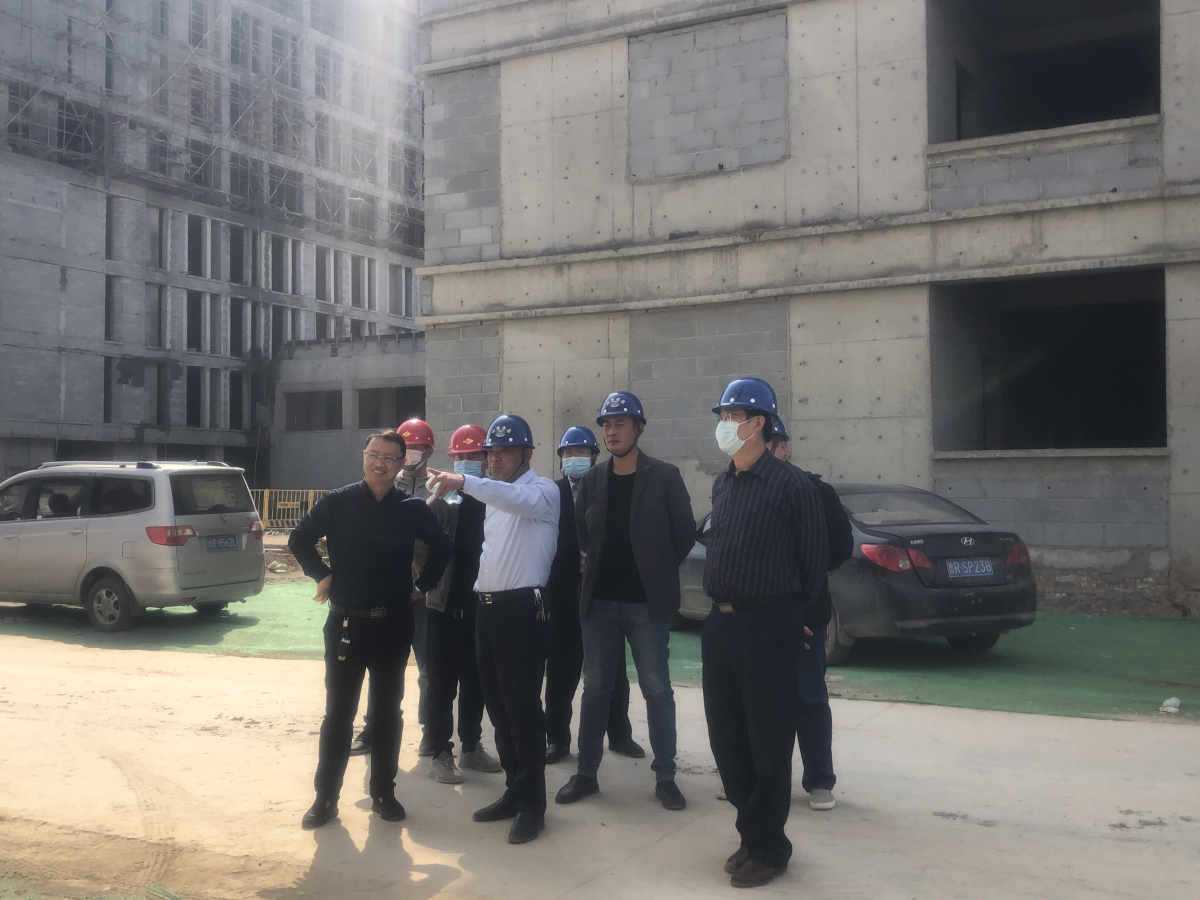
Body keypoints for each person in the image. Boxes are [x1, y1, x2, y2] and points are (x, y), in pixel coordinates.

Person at [290, 430, 453, 829]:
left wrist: (422, 585)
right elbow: (299, 538)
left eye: (389, 457)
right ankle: (326, 798)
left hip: (393, 624)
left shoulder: (411, 508)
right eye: (373, 454)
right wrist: (321, 574)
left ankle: (383, 792)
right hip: (345, 624)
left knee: (386, 713)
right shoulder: (338, 501)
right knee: (338, 714)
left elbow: (442, 547)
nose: (379, 463)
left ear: (401, 463)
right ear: (364, 457)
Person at [702, 378, 828, 888]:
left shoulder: (792, 485)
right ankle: (750, 833)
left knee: (768, 740)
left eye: (731, 416)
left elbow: (813, 561)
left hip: (769, 624)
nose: (723, 425)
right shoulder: (724, 483)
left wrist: (800, 619)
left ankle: (770, 848)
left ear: (757, 423)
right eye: (722, 417)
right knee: (727, 737)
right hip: (722, 624)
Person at [556, 392, 695, 811]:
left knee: (657, 689)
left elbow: (684, 533)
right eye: (606, 424)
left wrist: (655, 571)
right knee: (596, 688)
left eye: (620, 423)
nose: (611, 431)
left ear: (639, 428)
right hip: (599, 603)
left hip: (646, 605)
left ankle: (666, 777)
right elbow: (584, 534)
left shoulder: (664, 476)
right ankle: (586, 774)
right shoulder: (594, 480)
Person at [426, 415, 559, 844]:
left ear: (527, 454)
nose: (495, 459)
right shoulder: (494, 499)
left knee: (523, 714)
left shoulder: (543, 492)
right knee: (499, 713)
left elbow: (513, 498)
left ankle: (533, 807)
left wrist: (465, 482)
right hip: (487, 613)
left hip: (521, 613)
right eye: (491, 453)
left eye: (504, 452)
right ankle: (514, 792)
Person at [544, 426, 643, 764]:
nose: (574, 458)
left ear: (594, 457)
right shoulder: (552, 493)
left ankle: (619, 734)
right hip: (563, 593)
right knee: (561, 668)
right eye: (568, 453)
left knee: (612, 668)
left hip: (602, 591)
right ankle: (557, 739)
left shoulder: (608, 488)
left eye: (581, 453)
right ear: (561, 459)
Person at [769, 418, 854, 812]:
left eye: (772, 443)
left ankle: (819, 780)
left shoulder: (816, 492)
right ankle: (760, 777)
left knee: (809, 697)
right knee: (760, 701)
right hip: (758, 615)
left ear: (784, 446)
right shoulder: (739, 487)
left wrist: (803, 590)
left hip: (804, 612)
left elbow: (839, 548)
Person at [352, 417, 437, 757]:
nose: (412, 453)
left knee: (429, 668)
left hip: (427, 596)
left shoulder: (441, 488)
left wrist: (427, 583)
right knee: (382, 667)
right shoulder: (382, 485)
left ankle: (431, 732)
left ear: (429, 451)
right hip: (388, 594)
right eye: (408, 447)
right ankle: (374, 728)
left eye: (418, 448)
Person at [423, 424, 503, 784]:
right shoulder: (439, 502)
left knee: (476, 681)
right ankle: (441, 754)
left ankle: (471, 748)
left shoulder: (494, 500)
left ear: (486, 458)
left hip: (481, 608)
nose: (468, 461)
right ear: (452, 459)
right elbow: (419, 552)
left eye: (475, 456)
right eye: (462, 457)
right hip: (443, 608)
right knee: (442, 685)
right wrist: (427, 586)